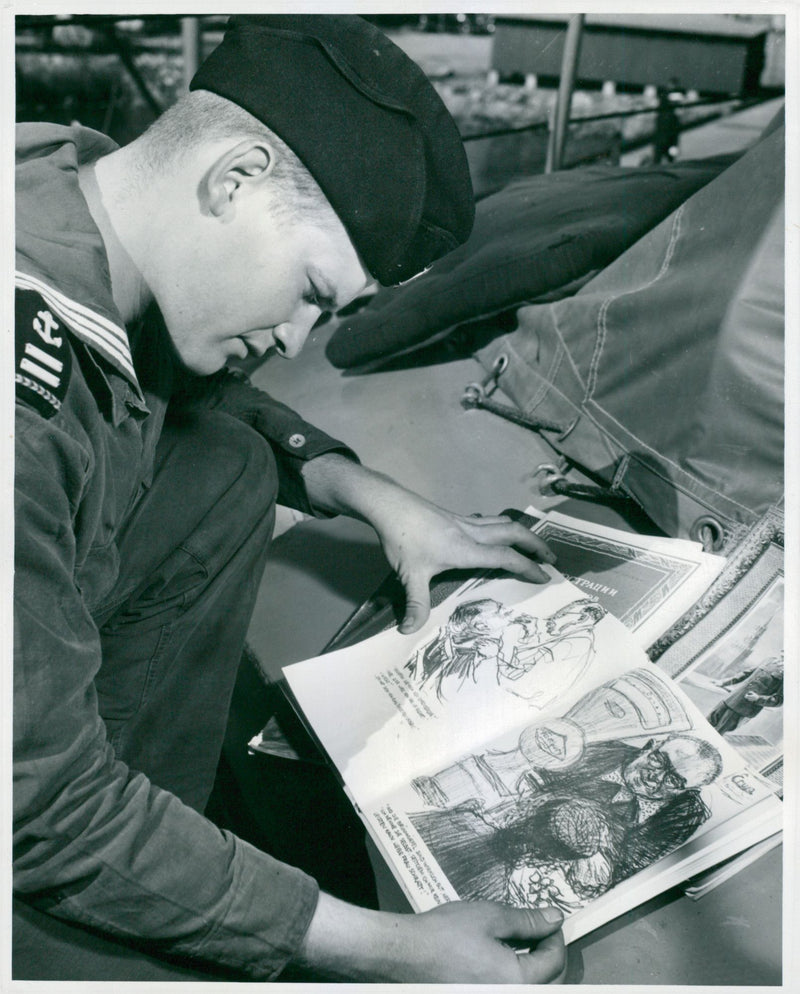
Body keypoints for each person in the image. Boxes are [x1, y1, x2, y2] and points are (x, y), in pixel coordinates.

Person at [13, 14, 567, 984]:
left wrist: (369, 494)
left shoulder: (68, 188)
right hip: (28, 796)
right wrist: (394, 948)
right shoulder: (21, 404)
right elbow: (36, 802)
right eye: (311, 288)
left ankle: (155, 853)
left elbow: (166, 384)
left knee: (221, 460)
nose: (295, 341)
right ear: (233, 177)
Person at [410, 733, 721, 909]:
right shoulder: (607, 751)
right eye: (659, 760)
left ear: (688, 790)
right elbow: (542, 777)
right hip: (505, 830)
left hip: (547, 879)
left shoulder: (685, 814)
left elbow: (630, 864)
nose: (655, 777)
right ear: (651, 745)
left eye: (674, 781)